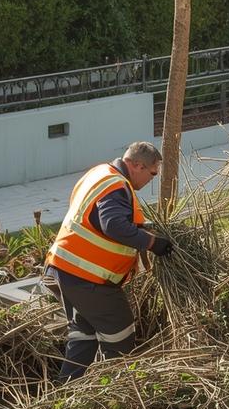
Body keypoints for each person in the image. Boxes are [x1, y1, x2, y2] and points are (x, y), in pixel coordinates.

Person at [44, 142, 172, 381]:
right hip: (87, 278)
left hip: (63, 270)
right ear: (137, 165)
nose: (152, 179)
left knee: (84, 336)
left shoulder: (99, 174)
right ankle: (114, 391)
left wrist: (138, 228)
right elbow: (112, 225)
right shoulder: (116, 185)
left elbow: (96, 219)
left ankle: (67, 389)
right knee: (120, 334)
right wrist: (153, 243)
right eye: (152, 173)